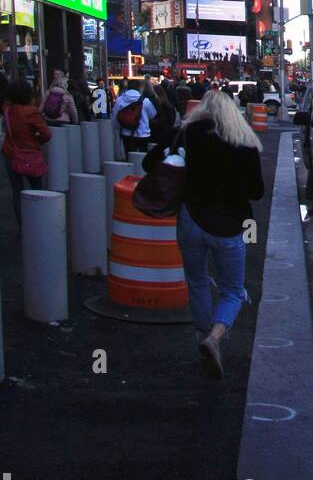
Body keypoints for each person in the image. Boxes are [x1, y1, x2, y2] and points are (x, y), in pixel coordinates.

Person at [177, 90, 264, 380]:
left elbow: (154, 162)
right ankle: (215, 336)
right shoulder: (245, 142)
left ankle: (202, 334)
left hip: (192, 218)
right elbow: (256, 191)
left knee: (198, 281)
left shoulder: (189, 134)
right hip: (228, 225)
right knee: (233, 290)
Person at [1, 79, 51, 228]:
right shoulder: (30, 112)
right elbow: (46, 134)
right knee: (37, 189)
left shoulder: (7, 109)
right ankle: (39, 224)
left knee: (17, 191)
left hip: (10, 153)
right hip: (29, 154)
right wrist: (36, 141)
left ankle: (23, 225)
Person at [112, 80, 156, 157]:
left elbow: (115, 116)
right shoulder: (145, 101)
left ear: (128, 87)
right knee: (143, 157)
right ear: (139, 88)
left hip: (126, 132)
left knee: (129, 156)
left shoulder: (120, 100)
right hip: (143, 133)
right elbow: (152, 114)